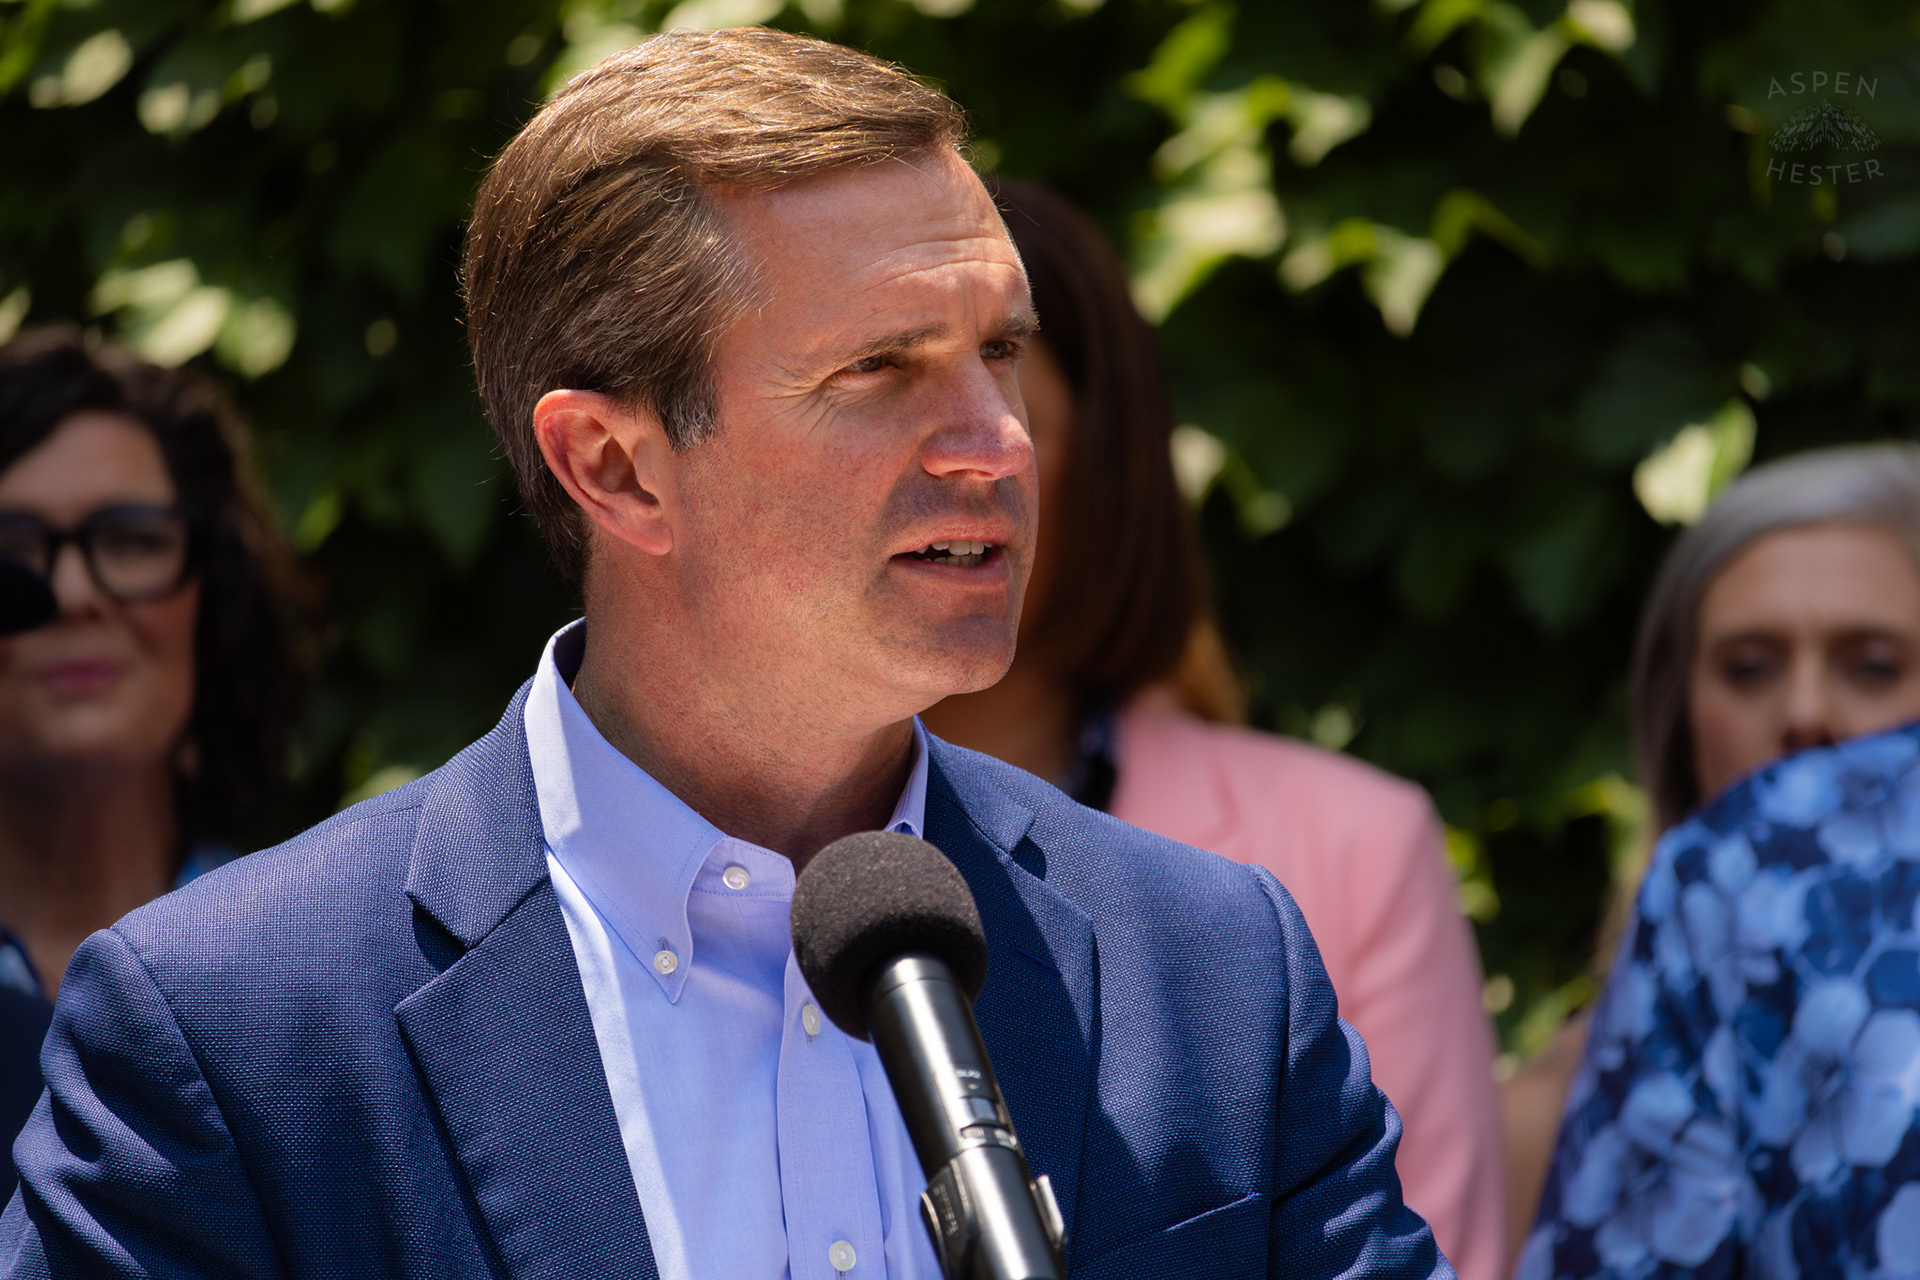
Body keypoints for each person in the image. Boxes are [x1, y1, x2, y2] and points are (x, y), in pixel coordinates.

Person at [1, 29, 1449, 1280]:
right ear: (618, 468)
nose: (999, 443)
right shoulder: (231, 1039)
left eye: (998, 354)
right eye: (881, 370)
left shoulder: (1211, 972)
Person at [923, 181, 1506, 1280]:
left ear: (1110, 458)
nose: (954, 464)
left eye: (1006, 409)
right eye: (870, 392)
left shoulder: (1352, 844)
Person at [1519, 442, 1920, 1279]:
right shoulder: (1540, 1100)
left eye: (1874, 667)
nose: (1805, 713)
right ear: (1678, 715)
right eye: (1748, 669)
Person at [0, 329, 299, 1200]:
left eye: (131, 540)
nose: (78, 594)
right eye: (14, 547)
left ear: (214, 598)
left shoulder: (322, 976)